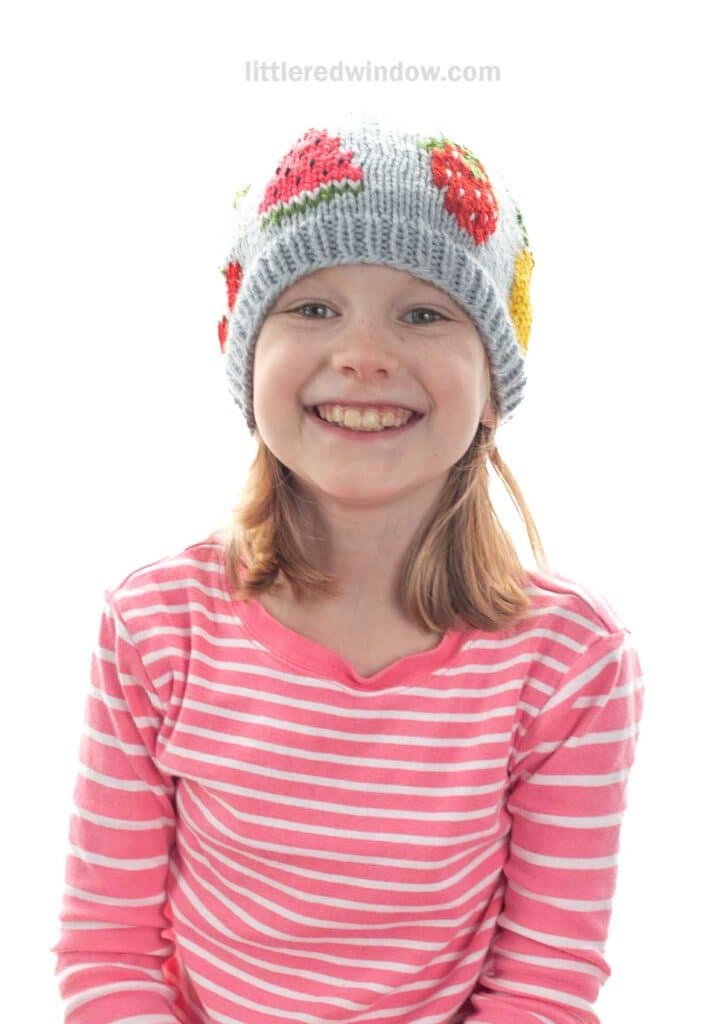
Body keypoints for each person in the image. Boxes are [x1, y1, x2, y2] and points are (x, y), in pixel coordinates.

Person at [50, 111, 646, 1024]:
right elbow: (109, 949)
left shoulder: (570, 663)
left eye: (424, 313)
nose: (365, 356)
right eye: (314, 307)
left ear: (493, 385)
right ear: (248, 356)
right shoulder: (157, 626)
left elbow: (543, 983)